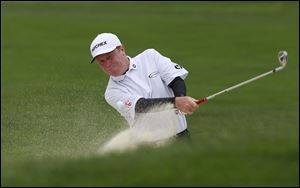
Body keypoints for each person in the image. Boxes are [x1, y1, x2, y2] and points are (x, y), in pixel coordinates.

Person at [89, 33, 198, 138]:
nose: (107, 64)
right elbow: (141, 106)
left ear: (121, 49)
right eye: (101, 61)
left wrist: (181, 96)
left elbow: (175, 79)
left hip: (182, 136)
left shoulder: (150, 56)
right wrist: (176, 102)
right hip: (149, 147)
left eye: (109, 57)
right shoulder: (112, 92)